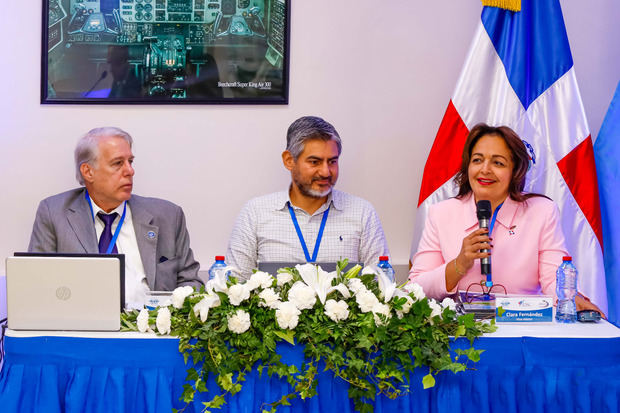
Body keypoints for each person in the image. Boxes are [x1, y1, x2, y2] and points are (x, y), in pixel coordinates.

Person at [408, 123, 603, 315]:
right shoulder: (442, 213)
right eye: (477, 160)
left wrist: (572, 298)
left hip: (521, 325)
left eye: (498, 163)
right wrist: (459, 264)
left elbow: (553, 278)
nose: (485, 169)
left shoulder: (541, 211)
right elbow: (416, 287)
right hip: (462, 331)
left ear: (515, 171)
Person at [28, 127, 202, 307]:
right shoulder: (54, 214)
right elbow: (36, 285)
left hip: (152, 328)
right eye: (118, 163)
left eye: (130, 161)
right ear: (88, 172)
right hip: (84, 329)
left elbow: (191, 283)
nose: (130, 171)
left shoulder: (168, 215)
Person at [226, 116, 389, 279]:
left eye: (332, 161)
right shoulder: (255, 213)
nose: (326, 172)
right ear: (289, 160)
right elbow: (235, 286)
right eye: (315, 162)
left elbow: (381, 284)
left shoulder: (362, 213)